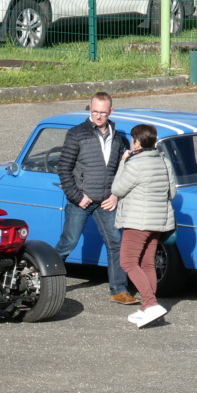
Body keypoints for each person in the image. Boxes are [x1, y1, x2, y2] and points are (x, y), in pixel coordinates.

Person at [54, 91, 136, 305]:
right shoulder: (76, 134)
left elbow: (120, 170)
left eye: (102, 112)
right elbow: (63, 168)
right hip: (81, 200)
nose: (98, 116)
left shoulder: (117, 138)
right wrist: (77, 196)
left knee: (116, 243)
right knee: (68, 243)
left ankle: (119, 291)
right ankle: (45, 282)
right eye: (94, 111)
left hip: (106, 201)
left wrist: (116, 195)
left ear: (111, 111)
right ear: (89, 109)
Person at [112, 123, 178, 328]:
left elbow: (117, 188)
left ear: (137, 141)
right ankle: (146, 309)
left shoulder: (135, 163)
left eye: (133, 139)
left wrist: (123, 162)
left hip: (137, 221)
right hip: (158, 221)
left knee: (128, 262)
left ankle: (150, 303)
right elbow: (172, 193)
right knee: (147, 263)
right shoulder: (164, 161)